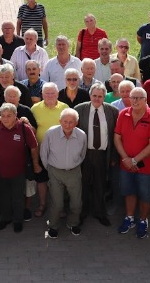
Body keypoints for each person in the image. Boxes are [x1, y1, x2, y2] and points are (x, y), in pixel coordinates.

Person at [114, 87, 150, 239]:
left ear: (145, 100)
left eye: (138, 98)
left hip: (146, 166)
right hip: (125, 164)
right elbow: (117, 138)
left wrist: (134, 160)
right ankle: (129, 218)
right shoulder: (123, 113)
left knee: (145, 195)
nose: (134, 100)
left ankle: (143, 220)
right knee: (129, 192)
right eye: (132, 97)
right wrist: (125, 159)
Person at [0, 103, 40, 233]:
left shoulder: (24, 128)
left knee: (18, 197)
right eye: (3, 116)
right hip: (1, 170)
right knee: (4, 196)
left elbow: (34, 147)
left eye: (9, 116)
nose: (5, 118)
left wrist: (36, 164)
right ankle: (5, 219)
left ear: (15, 116)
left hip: (18, 171)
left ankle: (18, 221)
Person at [76, 84, 119, 227]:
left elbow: (115, 135)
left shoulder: (112, 110)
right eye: (94, 95)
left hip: (102, 154)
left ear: (104, 96)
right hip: (84, 154)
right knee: (83, 184)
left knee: (100, 184)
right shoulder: (79, 109)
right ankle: (81, 213)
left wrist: (113, 156)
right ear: (90, 95)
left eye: (100, 96)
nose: (97, 98)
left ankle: (99, 212)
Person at [41, 108, 87, 238]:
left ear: (76, 123)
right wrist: (49, 169)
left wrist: (73, 165)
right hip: (55, 172)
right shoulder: (51, 133)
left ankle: (73, 223)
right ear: (60, 121)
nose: (68, 125)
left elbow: (82, 154)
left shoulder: (82, 135)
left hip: (74, 172)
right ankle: (53, 226)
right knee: (57, 202)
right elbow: (44, 153)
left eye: (71, 122)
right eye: (65, 121)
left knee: (76, 202)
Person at [30, 82, 69, 218]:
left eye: (53, 93)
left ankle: (59, 206)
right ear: (42, 94)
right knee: (42, 180)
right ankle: (42, 204)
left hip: (60, 152)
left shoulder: (64, 108)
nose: (50, 95)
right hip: (41, 151)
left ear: (58, 94)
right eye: (47, 93)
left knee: (59, 181)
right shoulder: (35, 108)